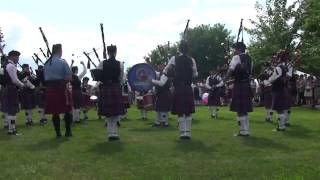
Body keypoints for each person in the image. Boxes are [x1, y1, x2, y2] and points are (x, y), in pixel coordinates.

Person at [163, 40, 198, 139]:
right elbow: (195, 74)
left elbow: (165, 71)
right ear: (188, 49)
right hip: (187, 87)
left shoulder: (174, 59)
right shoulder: (192, 60)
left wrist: (173, 74)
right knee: (188, 111)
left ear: (179, 48)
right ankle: (188, 132)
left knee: (180, 111)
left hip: (178, 87)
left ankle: (183, 133)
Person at [44, 44, 73, 138]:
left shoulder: (46, 63)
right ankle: (68, 132)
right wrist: (63, 82)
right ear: (59, 50)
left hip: (50, 89)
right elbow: (69, 77)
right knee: (67, 111)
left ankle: (58, 134)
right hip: (61, 89)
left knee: (55, 112)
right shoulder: (62, 62)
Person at [97, 45, 124, 141]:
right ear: (116, 52)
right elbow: (122, 79)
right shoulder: (120, 64)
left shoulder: (102, 63)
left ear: (107, 53)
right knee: (115, 112)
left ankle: (110, 133)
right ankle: (115, 133)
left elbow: (98, 77)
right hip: (115, 87)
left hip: (106, 87)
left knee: (108, 113)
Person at [227, 42, 253, 137]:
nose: (234, 51)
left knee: (240, 109)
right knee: (244, 109)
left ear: (238, 49)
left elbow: (231, 70)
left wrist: (226, 76)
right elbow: (249, 72)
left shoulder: (236, 57)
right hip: (246, 84)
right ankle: (246, 130)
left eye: (235, 49)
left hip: (239, 85)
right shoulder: (250, 59)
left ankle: (243, 131)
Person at [2, 50, 28, 135]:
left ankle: (12, 129)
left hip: (7, 89)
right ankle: (11, 130)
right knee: (12, 110)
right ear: (12, 56)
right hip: (11, 89)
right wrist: (22, 85)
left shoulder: (6, 65)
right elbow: (15, 80)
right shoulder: (11, 66)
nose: (18, 59)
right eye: (17, 57)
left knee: (10, 110)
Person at [266, 50, 291, 131]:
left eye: (277, 56)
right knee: (281, 109)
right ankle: (282, 126)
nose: (275, 57)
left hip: (277, 89)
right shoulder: (283, 67)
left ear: (279, 57)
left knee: (279, 109)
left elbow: (273, 78)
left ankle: (281, 127)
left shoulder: (278, 67)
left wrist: (267, 81)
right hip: (282, 89)